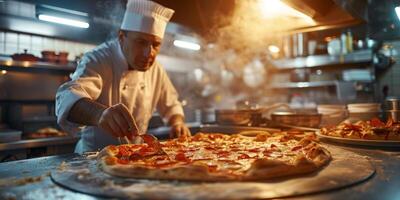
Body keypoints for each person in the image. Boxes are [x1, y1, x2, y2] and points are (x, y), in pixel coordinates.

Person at [55, 0, 191, 154]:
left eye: (156, 45)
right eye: (141, 42)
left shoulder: (156, 69)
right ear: (121, 37)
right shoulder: (98, 60)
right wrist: (100, 114)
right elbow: (67, 98)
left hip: (137, 156)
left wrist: (177, 122)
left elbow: (171, 104)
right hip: (94, 157)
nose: (149, 53)